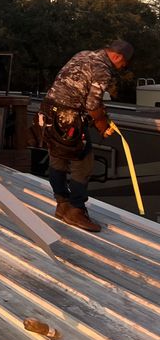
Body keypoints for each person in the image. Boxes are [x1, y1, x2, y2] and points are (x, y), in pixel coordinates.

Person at [38, 40, 133, 232]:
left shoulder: (83, 54)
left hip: (49, 111)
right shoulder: (103, 69)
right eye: (124, 63)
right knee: (83, 163)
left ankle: (62, 205)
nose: (123, 67)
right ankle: (76, 210)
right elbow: (92, 105)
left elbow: (76, 88)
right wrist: (103, 125)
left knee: (57, 158)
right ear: (117, 56)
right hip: (69, 118)